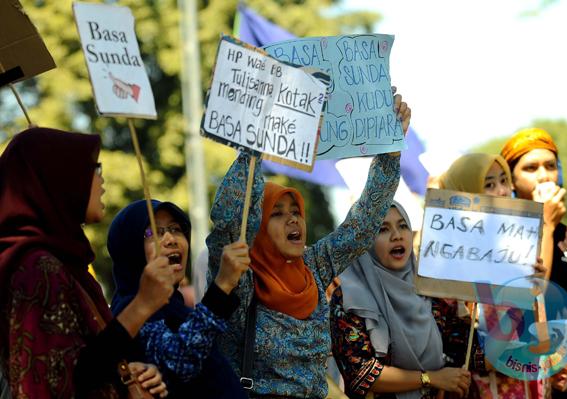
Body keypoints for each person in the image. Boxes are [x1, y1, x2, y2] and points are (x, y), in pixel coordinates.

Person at [206, 91, 411, 397]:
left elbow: (362, 225)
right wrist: (254, 146)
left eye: (296, 213)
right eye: (277, 214)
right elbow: (231, 219)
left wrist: (390, 154)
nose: (293, 221)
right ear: (257, 227)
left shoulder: (314, 266)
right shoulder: (241, 278)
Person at [0, 127, 172, 398]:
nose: (102, 181)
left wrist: (122, 373)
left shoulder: (62, 261)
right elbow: (55, 386)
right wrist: (143, 304)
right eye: (94, 168)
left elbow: (81, 364)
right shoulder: (37, 269)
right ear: (60, 177)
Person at [108, 199, 249, 398]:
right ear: (130, 250)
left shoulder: (177, 308)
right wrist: (222, 286)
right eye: (153, 233)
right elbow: (180, 361)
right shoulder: (130, 311)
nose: (170, 239)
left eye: (175, 229)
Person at [330, 200, 471, 399]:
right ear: (362, 242)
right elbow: (360, 374)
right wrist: (430, 378)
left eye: (403, 225)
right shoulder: (348, 298)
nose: (397, 235)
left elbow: (466, 350)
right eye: (383, 229)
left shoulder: (427, 290)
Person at [437, 153, 548, 398]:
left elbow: (535, 337)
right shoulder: (447, 265)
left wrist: (535, 288)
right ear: (465, 193)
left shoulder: (522, 251)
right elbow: (464, 352)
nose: (502, 191)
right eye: (488, 185)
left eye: (503, 181)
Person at [501, 128, 567, 399]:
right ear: (510, 181)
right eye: (531, 168)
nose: (544, 175)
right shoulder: (500, 241)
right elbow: (532, 292)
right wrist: (544, 222)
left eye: (550, 166)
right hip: (525, 377)